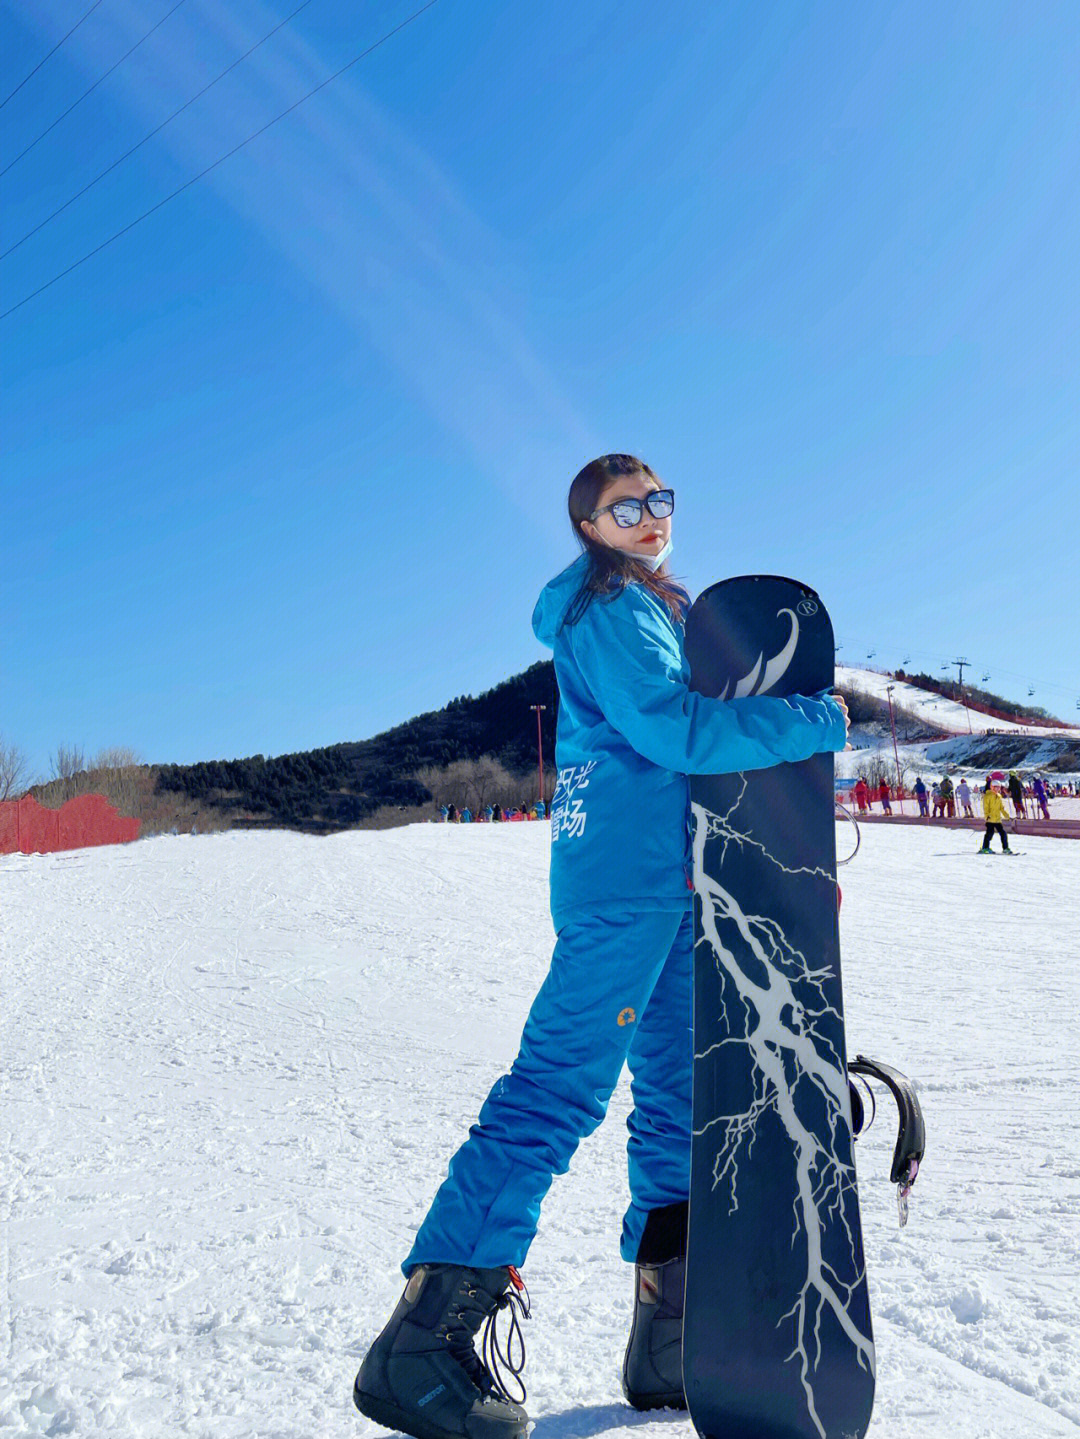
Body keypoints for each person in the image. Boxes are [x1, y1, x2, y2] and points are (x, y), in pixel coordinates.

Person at [352, 454, 850, 1439]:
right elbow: (670, 731)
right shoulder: (611, 606)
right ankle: (421, 1339)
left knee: (673, 1087)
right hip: (625, 879)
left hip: (662, 877)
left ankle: (670, 1335)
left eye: (661, 500)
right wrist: (805, 721)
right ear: (589, 523)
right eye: (627, 506)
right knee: (557, 1087)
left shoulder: (646, 604)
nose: (651, 517)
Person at [980, 778, 1013, 853]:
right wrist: (987, 816)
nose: (998, 789)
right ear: (992, 787)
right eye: (996, 787)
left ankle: (1005, 848)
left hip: (997, 819)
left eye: (999, 787)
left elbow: (1001, 808)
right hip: (990, 819)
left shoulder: (999, 796)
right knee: (989, 834)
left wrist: (1006, 816)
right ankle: (985, 848)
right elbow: (985, 807)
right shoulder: (987, 796)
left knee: (1003, 833)